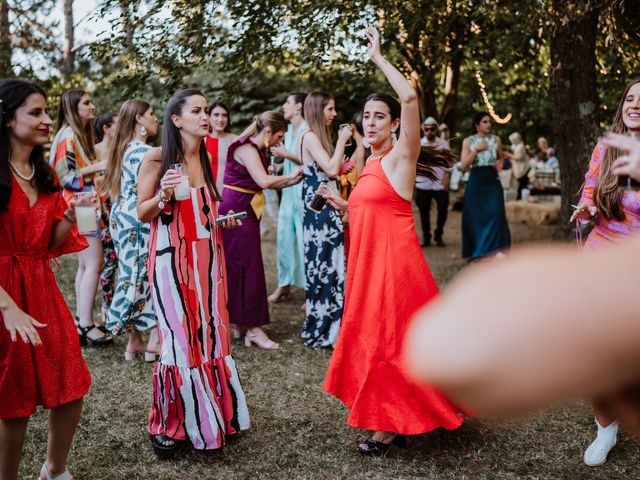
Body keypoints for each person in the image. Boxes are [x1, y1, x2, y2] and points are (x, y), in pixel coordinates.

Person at [321, 26, 466, 456]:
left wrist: (378, 58)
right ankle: (409, 411)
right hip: (368, 267)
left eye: (378, 116)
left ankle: (387, 427)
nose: (370, 121)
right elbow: (373, 210)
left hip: (395, 271)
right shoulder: (370, 162)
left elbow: (408, 98)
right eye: (365, 116)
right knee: (378, 342)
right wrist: (341, 204)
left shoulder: (403, 157)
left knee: (387, 344)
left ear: (395, 125)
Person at [137, 89, 250, 457]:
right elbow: (142, 212)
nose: (205, 116)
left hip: (208, 258)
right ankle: (170, 423)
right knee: (180, 338)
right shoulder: (156, 158)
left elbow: (202, 215)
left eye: (206, 110)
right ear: (176, 119)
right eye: (197, 111)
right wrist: (163, 196)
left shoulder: (203, 157)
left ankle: (215, 413)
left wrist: (222, 222)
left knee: (212, 334)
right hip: (172, 260)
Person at [0, 79, 91, 480]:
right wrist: (8, 307)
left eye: (45, 112)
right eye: (34, 112)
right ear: (7, 118)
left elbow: (50, 245)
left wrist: (72, 215)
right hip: (3, 294)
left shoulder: (45, 174)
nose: (45, 120)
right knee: (12, 397)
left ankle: (54, 470)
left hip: (41, 286)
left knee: (71, 383)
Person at [568, 76, 640, 466]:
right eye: (631, 98)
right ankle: (605, 428)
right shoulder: (607, 147)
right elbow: (591, 187)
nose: (635, 105)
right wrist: (587, 206)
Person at [219, 111, 303, 349]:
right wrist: (293, 174)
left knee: (240, 267)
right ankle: (253, 329)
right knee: (247, 268)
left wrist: (289, 180)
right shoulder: (246, 148)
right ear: (267, 132)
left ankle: (240, 323)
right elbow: (264, 182)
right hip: (237, 210)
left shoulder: (254, 149)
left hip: (244, 207)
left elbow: (262, 178)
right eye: (278, 136)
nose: (279, 141)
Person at [49, 89, 113, 346]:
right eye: (86, 103)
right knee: (94, 262)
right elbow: (65, 177)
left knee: (87, 264)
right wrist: (97, 167)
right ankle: (86, 324)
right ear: (73, 107)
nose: (92, 106)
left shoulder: (78, 136)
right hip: (81, 205)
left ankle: (81, 321)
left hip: (85, 204)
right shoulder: (68, 136)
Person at [102, 99, 160, 361]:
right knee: (143, 275)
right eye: (151, 114)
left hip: (122, 216)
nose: (155, 118)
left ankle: (134, 342)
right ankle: (154, 340)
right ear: (139, 119)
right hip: (136, 218)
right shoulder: (141, 150)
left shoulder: (124, 148)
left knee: (132, 273)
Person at [300, 92, 351, 349]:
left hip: (325, 204)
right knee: (323, 263)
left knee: (330, 261)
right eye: (330, 109)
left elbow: (332, 169)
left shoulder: (317, 137)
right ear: (318, 110)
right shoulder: (309, 136)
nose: (333, 113)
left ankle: (333, 322)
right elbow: (330, 170)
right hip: (319, 209)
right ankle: (324, 328)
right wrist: (342, 139)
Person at [268, 93, 307, 304]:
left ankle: (311, 291)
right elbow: (291, 160)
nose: (284, 106)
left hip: (303, 194)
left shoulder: (307, 130)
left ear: (298, 106)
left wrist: (286, 155)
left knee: (303, 241)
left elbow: (313, 160)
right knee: (284, 238)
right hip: (288, 193)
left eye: (288, 103)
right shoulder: (290, 130)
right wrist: (279, 166)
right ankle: (284, 285)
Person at [460, 112, 511, 260]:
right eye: (485, 121)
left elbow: (501, 156)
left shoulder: (496, 139)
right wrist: (476, 150)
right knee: (476, 216)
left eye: (489, 121)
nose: (488, 124)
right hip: (476, 181)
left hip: (492, 180)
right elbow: (463, 165)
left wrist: (500, 163)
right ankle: (479, 249)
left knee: (496, 213)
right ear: (477, 125)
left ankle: (495, 249)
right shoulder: (469, 141)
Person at [94, 112, 118, 324]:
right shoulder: (95, 152)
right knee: (110, 260)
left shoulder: (122, 150)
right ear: (106, 128)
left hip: (120, 208)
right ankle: (106, 306)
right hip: (103, 210)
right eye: (117, 124)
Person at [416, 117, 451, 247]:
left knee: (443, 209)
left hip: (439, 183)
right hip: (422, 183)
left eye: (432, 129)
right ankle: (426, 237)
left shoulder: (443, 144)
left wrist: (446, 179)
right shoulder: (418, 143)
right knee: (423, 211)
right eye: (426, 129)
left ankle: (438, 235)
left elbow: (448, 163)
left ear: (436, 129)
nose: (429, 131)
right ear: (423, 130)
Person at [204, 102, 237, 193]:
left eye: (224, 115)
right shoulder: (201, 140)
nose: (221, 119)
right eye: (216, 115)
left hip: (229, 192)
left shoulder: (235, 140)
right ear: (209, 117)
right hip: (206, 192)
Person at [505, 132, 529, 200]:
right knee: (520, 184)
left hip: (521, 169)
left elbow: (519, 157)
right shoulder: (516, 146)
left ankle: (520, 198)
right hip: (518, 168)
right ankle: (519, 197)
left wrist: (509, 155)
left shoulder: (520, 147)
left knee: (521, 184)